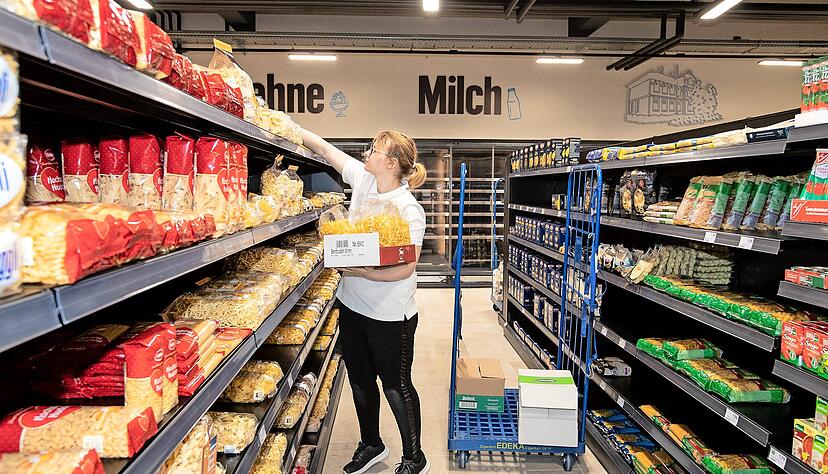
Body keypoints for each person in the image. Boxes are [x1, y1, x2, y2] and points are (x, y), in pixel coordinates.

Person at [301, 129, 429, 474]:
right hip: (352, 305)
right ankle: (371, 443)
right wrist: (291, 128)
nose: (367, 153)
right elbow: (328, 150)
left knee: (395, 386)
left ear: (390, 162)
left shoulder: (408, 209)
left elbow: (405, 268)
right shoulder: (364, 181)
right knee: (359, 379)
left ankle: (414, 457)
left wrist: (359, 272)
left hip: (391, 313)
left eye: (375, 150)